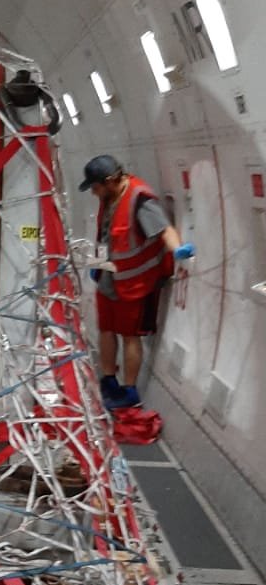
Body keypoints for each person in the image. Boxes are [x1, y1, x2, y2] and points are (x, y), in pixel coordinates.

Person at [79, 154, 195, 409]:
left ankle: (129, 391)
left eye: (96, 187)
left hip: (133, 284)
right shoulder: (108, 198)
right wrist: (98, 266)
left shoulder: (139, 199)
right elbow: (105, 234)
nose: (93, 193)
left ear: (110, 181)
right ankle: (109, 380)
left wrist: (177, 250)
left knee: (130, 336)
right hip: (109, 280)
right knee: (106, 330)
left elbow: (164, 229)